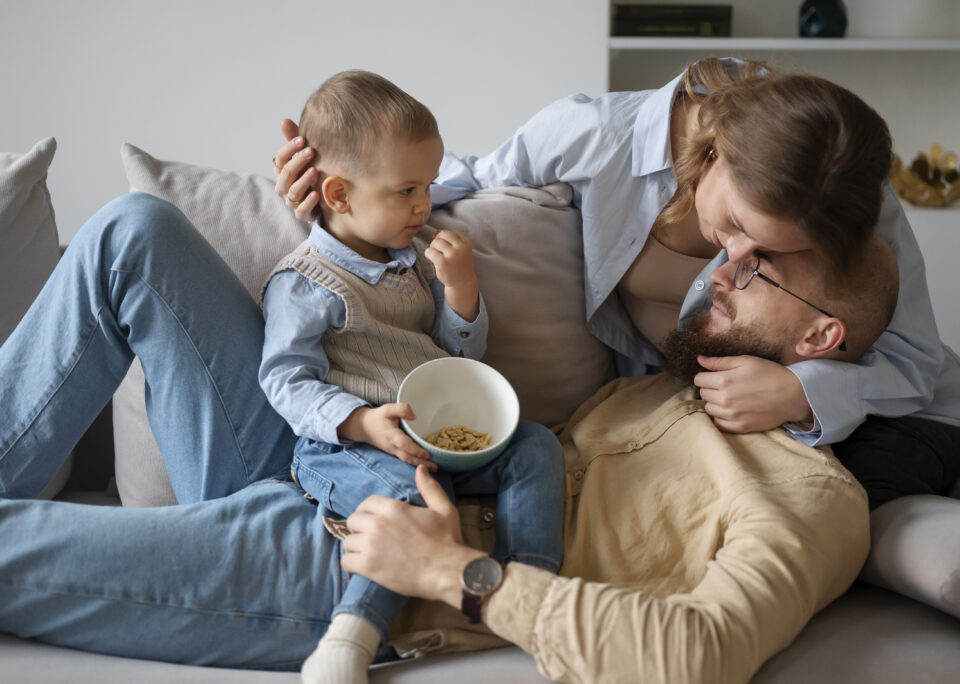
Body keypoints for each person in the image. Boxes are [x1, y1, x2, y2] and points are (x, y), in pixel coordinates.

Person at [0, 185, 896, 682]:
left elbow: (695, 655)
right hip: (329, 440)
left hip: (360, 560)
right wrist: (338, 190)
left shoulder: (813, 502)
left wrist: (452, 574)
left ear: (821, 337)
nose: (722, 267)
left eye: (760, 269)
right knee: (133, 230)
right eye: (735, 251)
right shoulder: (667, 389)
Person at [274, 57, 960, 510]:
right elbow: (470, 175)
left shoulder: (848, 193)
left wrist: (806, 390)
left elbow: (914, 360)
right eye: (735, 222)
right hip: (699, 420)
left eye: (770, 253)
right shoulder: (594, 137)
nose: (732, 259)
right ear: (716, 149)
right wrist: (334, 198)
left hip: (890, 418)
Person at [258, 71, 564, 684]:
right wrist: (362, 421)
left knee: (537, 442)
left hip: (438, 431)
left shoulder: (416, 256)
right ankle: (353, 634)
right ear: (340, 195)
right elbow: (284, 379)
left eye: (426, 184)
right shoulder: (304, 281)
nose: (425, 204)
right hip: (345, 447)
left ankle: (526, 592)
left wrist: (462, 291)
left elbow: (456, 360)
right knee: (409, 499)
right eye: (406, 190)